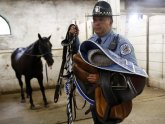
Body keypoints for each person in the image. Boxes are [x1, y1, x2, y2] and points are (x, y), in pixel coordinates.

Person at [86, 1, 138, 124]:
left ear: (110, 21)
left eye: (101, 19)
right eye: (95, 20)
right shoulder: (91, 41)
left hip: (112, 102)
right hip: (94, 99)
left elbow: (133, 73)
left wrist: (102, 79)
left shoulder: (122, 44)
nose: (97, 23)